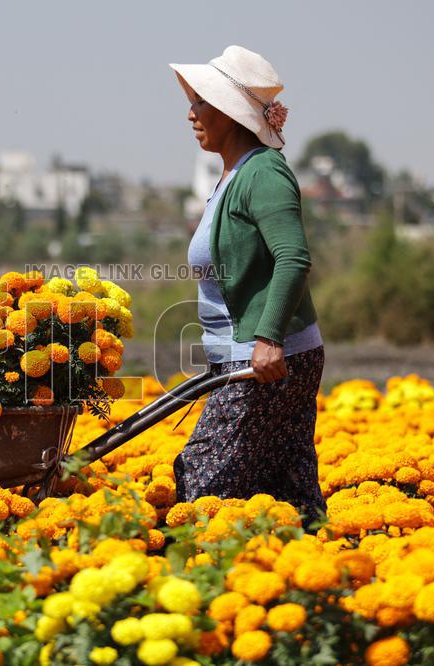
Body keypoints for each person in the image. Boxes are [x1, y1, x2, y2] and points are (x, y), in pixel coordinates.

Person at [169, 45, 326, 524]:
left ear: (231, 114)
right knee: (283, 485)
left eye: (202, 103)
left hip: (267, 361)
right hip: (248, 359)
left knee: (205, 475)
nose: (191, 113)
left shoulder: (264, 172)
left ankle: (205, 572)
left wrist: (268, 337)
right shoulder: (233, 177)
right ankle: (308, 572)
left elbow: (293, 258)